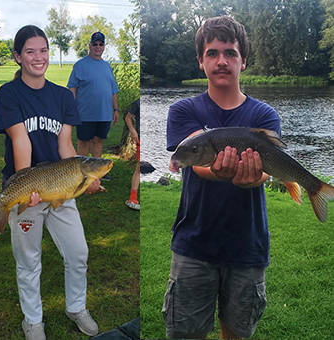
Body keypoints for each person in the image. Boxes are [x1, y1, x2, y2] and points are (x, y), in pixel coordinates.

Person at [163, 16, 280, 339]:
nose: (222, 61)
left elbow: (265, 173)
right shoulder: (184, 110)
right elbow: (194, 159)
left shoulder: (264, 116)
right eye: (212, 53)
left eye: (230, 53)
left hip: (247, 246)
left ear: (244, 60)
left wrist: (253, 178)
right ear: (200, 61)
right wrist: (218, 170)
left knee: (237, 334)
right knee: (185, 333)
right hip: (193, 244)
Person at [0, 25, 101, 340]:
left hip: (60, 188)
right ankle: (33, 321)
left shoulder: (62, 96)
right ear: (18, 57)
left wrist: (81, 178)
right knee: (29, 261)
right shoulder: (8, 94)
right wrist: (28, 191)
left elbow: (66, 146)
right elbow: (21, 141)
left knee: (78, 252)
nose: (38, 57)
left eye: (43, 50)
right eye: (30, 51)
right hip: (26, 188)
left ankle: (76, 307)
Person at [67, 31, 119, 180]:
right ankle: (81, 174)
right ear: (90, 46)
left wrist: (116, 109)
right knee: (84, 142)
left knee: (98, 141)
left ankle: (97, 173)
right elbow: (72, 88)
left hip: (104, 113)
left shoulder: (107, 66)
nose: (97, 47)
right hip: (85, 113)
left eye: (100, 44)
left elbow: (113, 90)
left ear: (104, 47)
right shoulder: (80, 65)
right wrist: (72, 109)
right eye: (95, 44)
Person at [125, 98, 140, 210]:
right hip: (140, 137)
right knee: (139, 167)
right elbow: (128, 118)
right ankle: (132, 198)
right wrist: (132, 130)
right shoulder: (138, 102)